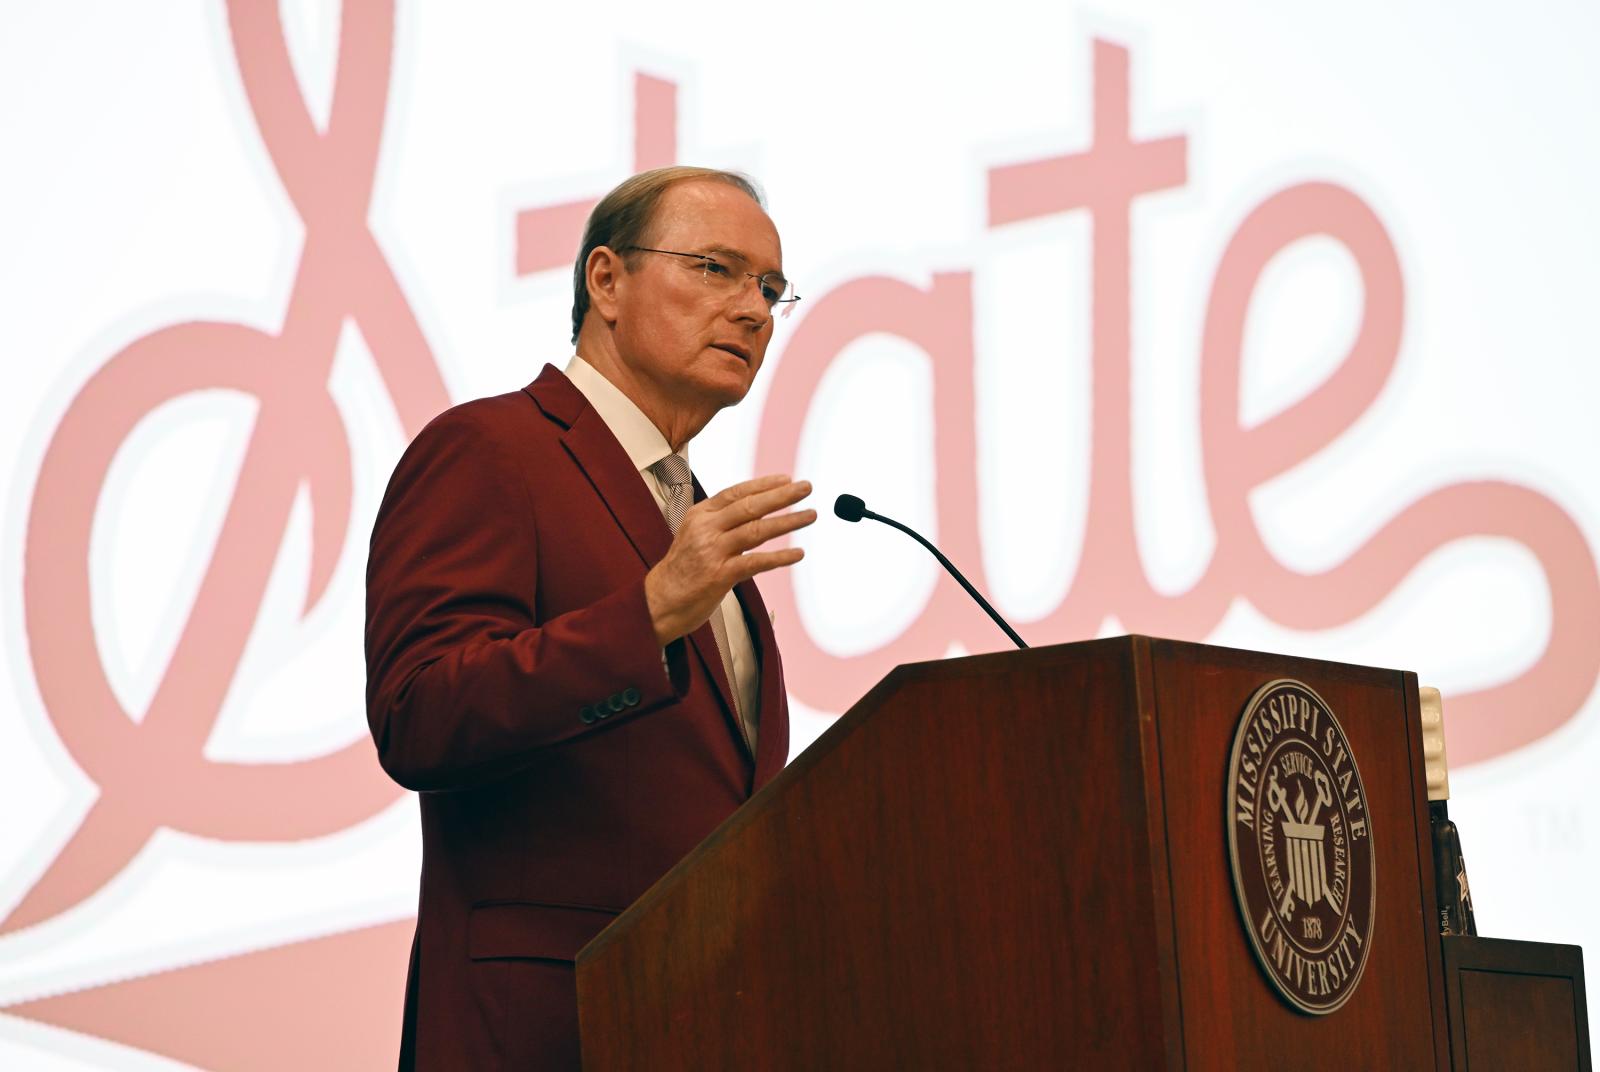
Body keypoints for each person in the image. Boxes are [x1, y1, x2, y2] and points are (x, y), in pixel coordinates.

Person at [364, 166, 815, 1070]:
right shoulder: (492, 450)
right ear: (606, 281)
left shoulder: (697, 512)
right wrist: (644, 617)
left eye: (769, 288)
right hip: (547, 1023)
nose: (755, 310)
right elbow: (421, 715)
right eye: (716, 268)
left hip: (708, 1021)